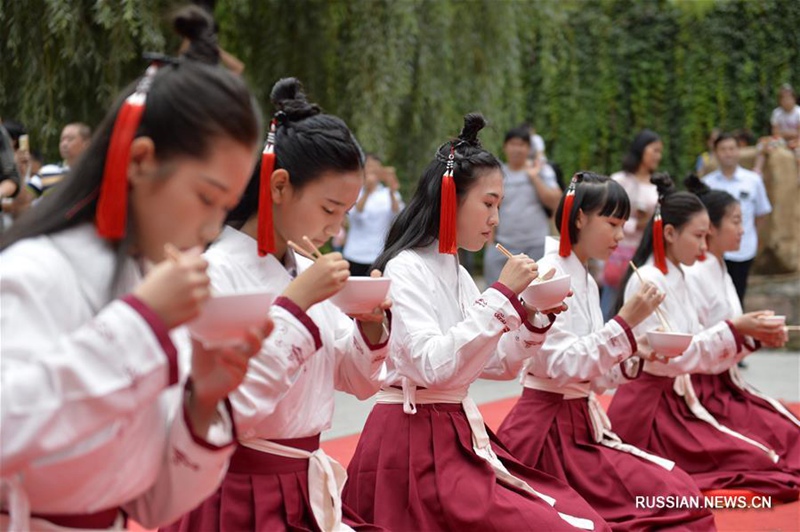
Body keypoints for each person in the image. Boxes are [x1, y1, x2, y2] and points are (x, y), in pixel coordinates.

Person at [0, 8, 271, 529]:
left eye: (227, 207)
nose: (213, 228)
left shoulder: (146, 281)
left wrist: (201, 404)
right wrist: (140, 323)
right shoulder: (35, 270)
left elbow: (149, 503)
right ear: (142, 159)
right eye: (206, 197)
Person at [343, 114, 607, 532]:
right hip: (414, 446)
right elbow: (433, 367)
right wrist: (502, 298)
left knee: (581, 518)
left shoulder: (457, 271)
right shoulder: (406, 267)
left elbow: (496, 366)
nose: (495, 219)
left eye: (498, 205)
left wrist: (533, 320)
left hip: (455, 433)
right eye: (488, 203)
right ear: (451, 199)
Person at [162, 78, 390, 532]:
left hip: (306, 479)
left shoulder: (303, 267)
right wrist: (296, 305)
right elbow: (227, 409)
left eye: (345, 213)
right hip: (239, 491)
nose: (337, 228)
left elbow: (355, 382)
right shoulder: (214, 272)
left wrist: (371, 329)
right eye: (329, 209)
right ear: (280, 186)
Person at [498, 172, 715, 530]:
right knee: (674, 499)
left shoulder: (582, 273)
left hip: (580, 423)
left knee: (679, 493)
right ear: (580, 217)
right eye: (612, 223)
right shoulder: (552, 272)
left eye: (624, 225)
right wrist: (624, 325)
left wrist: (636, 351)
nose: (620, 236)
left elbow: (594, 377)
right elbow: (560, 365)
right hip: (549, 433)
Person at [608, 174, 799, 501]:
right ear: (669, 233)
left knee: (775, 451)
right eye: (698, 235)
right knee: (765, 462)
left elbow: (691, 343)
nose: (702, 245)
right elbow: (675, 353)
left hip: (681, 394)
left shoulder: (678, 272)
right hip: (655, 408)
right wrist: (738, 330)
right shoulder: (650, 280)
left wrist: (747, 333)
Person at [684, 175, 799, 474]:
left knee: (790, 431)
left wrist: (757, 335)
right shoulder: (696, 273)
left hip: (726, 382)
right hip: (702, 390)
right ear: (711, 227)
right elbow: (691, 346)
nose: (743, 229)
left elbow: (730, 333)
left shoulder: (719, 266)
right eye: (735, 221)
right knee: (778, 446)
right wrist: (741, 330)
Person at [483, 125, 561, 285]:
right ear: (505, 146)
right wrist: (490, 245)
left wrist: (534, 178)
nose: (517, 149)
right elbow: (490, 208)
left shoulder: (542, 171)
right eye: (513, 144)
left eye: (522, 144)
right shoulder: (497, 174)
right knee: (498, 293)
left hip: (536, 247)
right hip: (503, 248)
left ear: (529, 148)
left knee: (536, 295)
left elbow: (556, 201)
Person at [702, 132, 772, 306]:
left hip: (744, 248)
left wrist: (749, 235)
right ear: (716, 152)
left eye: (732, 148)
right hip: (714, 250)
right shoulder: (707, 184)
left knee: (737, 295)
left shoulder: (753, 180)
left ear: (738, 151)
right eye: (723, 149)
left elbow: (761, 213)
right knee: (713, 294)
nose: (728, 153)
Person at [600, 130, 662, 321]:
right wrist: (636, 224)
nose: (658, 156)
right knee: (610, 302)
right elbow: (605, 215)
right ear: (641, 149)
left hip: (644, 251)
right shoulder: (620, 180)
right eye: (654, 150)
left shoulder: (657, 185)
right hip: (617, 249)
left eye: (660, 152)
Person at [342, 153, 404, 276]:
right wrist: (367, 192)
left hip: (378, 255)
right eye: (368, 167)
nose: (372, 171)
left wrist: (392, 191)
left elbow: (397, 215)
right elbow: (354, 215)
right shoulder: (355, 192)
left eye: (375, 167)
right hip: (355, 255)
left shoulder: (388, 194)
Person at [27, 122, 91, 198]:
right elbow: (22, 202)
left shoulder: (96, 174)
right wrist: (22, 171)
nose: (64, 144)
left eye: (70, 139)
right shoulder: (47, 172)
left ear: (86, 145)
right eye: (62, 140)